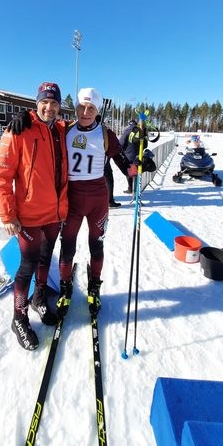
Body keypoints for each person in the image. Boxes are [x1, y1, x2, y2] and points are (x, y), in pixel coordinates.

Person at [0, 82, 68, 351]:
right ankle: (19, 317)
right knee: (26, 266)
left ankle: (39, 300)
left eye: (55, 103)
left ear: (60, 107)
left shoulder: (61, 130)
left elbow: (88, 125)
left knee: (45, 259)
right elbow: (2, 176)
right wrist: (7, 214)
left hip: (54, 214)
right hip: (28, 216)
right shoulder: (18, 130)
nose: (49, 107)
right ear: (36, 104)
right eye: (44, 102)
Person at [56, 87, 137, 318]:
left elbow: (121, 159)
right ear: (76, 108)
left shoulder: (106, 134)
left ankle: (94, 286)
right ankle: (65, 286)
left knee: (96, 244)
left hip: (97, 198)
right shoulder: (65, 130)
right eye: (82, 106)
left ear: (97, 110)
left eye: (91, 108)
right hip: (71, 197)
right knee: (67, 244)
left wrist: (133, 170)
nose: (85, 112)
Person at [119, 119, 139, 194]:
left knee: (130, 173)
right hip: (138, 155)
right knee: (137, 172)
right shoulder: (140, 131)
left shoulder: (127, 131)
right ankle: (137, 189)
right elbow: (145, 144)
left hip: (129, 156)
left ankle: (131, 189)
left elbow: (121, 143)